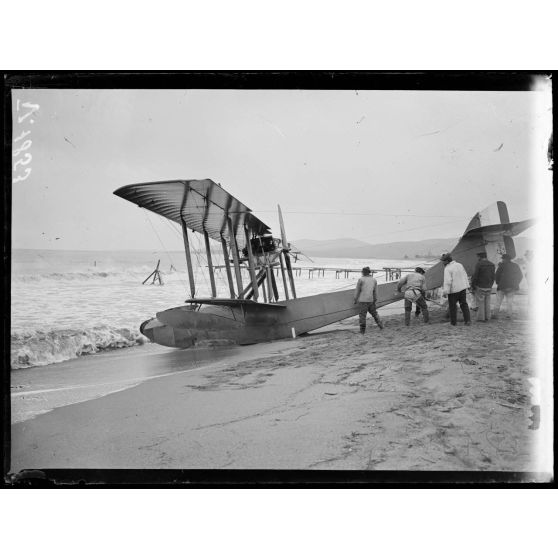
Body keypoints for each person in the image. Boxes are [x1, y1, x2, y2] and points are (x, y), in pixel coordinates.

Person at [440, 253, 471, 326]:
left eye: (443, 261)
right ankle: (467, 321)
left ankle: (453, 323)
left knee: (452, 307)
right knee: (464, 305)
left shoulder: (447, 268)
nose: (442, 262)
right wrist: (467, 286)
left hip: (453, 291)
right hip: (462, 288)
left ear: (447, 261)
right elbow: (465, 275)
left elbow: (448, 282)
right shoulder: (459, 265)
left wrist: (445, 292)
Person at [353, 266, 384, 333]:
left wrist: (355, 299)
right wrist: (375, 299)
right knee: (374, 313)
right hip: (371, 300)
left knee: (362, 315)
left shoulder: (361, 280)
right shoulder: (374, 280)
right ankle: (381, 326)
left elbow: (357, 291)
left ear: (363, 272)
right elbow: (375, 291)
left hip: (362, 300)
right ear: (369, 273)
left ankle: (362, 331)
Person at [493, 253, 523, 320]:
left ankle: (495, 314)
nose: (502, 260)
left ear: (505, 259)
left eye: (502, 259)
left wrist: (498, 283)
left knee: (498, 301)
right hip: (512, 287)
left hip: (502, 287)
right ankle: (509, 315)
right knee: (509, 302)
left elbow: (496, 276)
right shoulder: (515, 265)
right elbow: (520, 276)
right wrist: (515, 284)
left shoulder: (501, 266)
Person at [470, 252, 495, 322]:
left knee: (480, 302)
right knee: (487, 302)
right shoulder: (492, 264)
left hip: (480, 286)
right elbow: (493, 276)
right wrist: (491, 285)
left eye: (478, 257)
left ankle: (481, 318)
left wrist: (473, 285)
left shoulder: (479, 264)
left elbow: (475, 276)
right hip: (489, 286)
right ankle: (487, 317)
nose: (477, 258)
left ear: (480, 257)